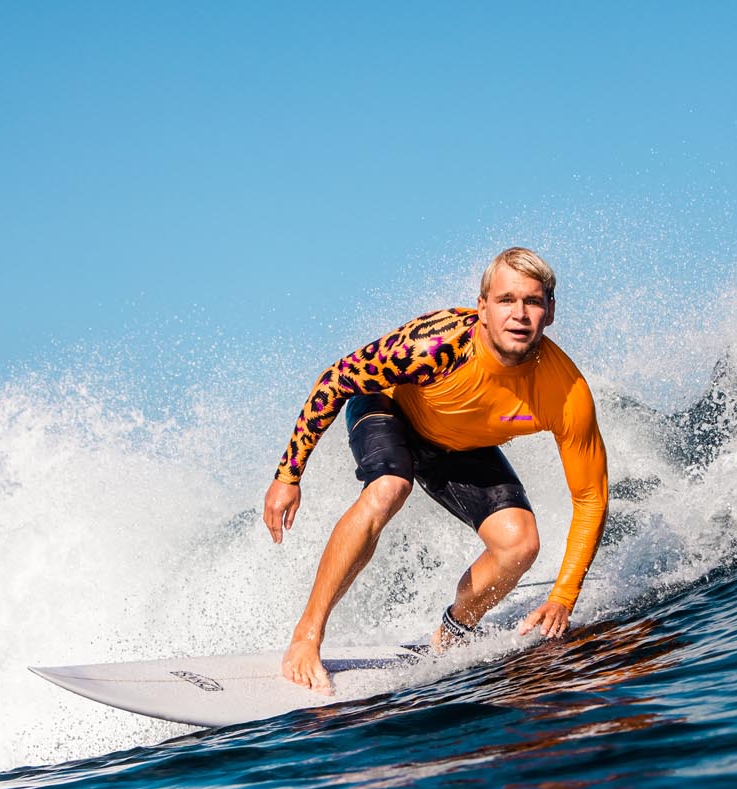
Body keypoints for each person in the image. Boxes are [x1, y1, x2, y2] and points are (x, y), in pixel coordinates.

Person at [261, 248, 609, 693]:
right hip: (391, 408)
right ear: (482, 308)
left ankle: (452, 633)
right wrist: (288, 476)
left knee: (519, 545)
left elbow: (590, 497)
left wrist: (563, 597)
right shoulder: (435, 346)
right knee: (389, 487)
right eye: (506, 300)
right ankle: (306, 637)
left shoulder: (566, 392)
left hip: (457, 444)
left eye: (533, 302)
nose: (519, 314)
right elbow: (335, 380)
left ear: (551, 311)